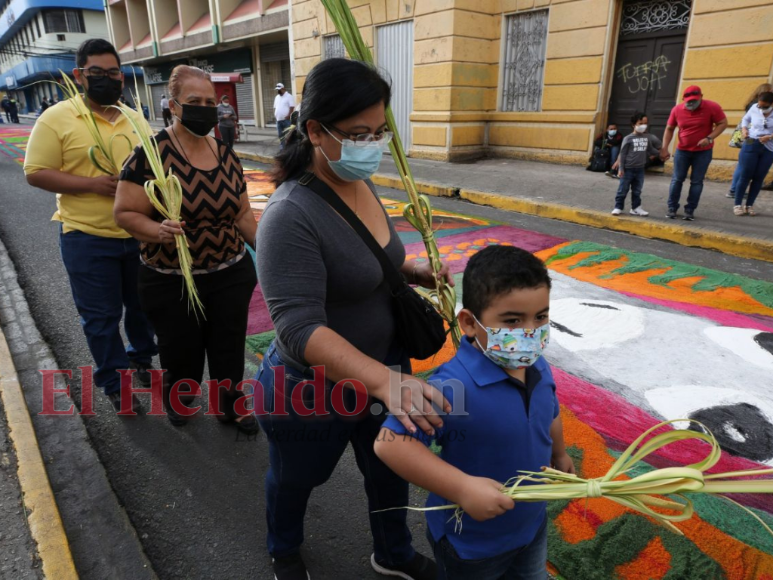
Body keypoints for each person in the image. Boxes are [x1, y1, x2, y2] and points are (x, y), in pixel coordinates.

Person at [255, 58, 453, 580]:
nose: (373, 145)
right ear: (315, 131)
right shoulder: (289, 214)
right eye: (359, 133)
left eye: (380, 132)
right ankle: (284, 549)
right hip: (313, 390)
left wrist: (414, 271)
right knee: (296, 478)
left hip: (383, 371)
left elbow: (368, 261)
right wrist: (385, 382)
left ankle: (393, 554)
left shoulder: (359, 184)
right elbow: (297, 329)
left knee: (389, 470)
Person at [375, 245, 574, 580]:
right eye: (512, 321)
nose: (530, 333)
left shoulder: (537, 365)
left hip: (531, 527)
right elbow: (389, 442)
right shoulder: (453, 386)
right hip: (471, 544)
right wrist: (462, 487)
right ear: (469, 322)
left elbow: (549, 409)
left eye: (540, 317)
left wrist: (560, 450)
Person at [114, 65, 258, 431]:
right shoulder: (149, 154)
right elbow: (125, 212)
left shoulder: (225, 153)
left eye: (211, 101)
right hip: (171, 278)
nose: (205, 108)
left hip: (230, 271)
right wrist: (156, 229)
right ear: (174, 105)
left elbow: (242, 213)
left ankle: (230, 405)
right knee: (181, 350)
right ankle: (182, 397)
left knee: (229, 347)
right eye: (194, 101)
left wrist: (270, 253)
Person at [23, 39, 157, 413]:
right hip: (86, 237)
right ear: (79, 75)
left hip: (138, 235)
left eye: (113, 73)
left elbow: (155, 168)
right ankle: (116, 383)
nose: (106, 80)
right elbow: (35, 173)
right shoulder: (56, 117)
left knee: (143, 307)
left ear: (122, 76)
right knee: (101, 318)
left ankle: (142, 357)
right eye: (96, 73)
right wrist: (93, 185)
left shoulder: (136, 118)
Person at [661, 85, 727, 221]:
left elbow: (722, 123)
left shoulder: (712, 107)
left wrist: (709, 138)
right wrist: (664, 147)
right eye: (688, 101)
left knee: (696, 181)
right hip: (682, 151)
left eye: (694, 101)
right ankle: (672, 207)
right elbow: (669, 128)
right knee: (677, 179)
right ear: (683, 99)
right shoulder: (677, 109)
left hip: (703, 152)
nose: (691, 103)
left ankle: (690, 210)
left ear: (701, 97)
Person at [727, 83, 773, 200]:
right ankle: (734, 190)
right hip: (753, 139)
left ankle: (735, 189)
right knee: (744, 166)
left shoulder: (754, 103)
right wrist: (745, 130)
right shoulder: (757, 105)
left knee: (743, 165)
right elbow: (747, 120)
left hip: (756, 139)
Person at [611, 112, 661, 217]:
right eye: (640, 123)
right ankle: (618, 207)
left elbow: (651, 149)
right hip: (627, 169)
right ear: (633, 124)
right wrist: (621, 168)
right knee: (622, 190)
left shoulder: (647, 137)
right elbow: (623, 154)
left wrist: (662, 154)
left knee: (637, 190)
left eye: (645, 123)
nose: (643, 125)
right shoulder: (628, 138)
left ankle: (636, 208)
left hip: (640, 169)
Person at [273, 82, 295, 149]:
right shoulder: (277, 97)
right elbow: (275, 107)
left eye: (279, 89)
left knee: (288, 135)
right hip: (278, 120)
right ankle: (282, 148)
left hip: (286, 120)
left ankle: (288, 148)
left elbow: (292, 107)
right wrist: (275, 115)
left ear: (283, 88)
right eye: (277, 90)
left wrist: (289, 115)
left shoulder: (289, 96)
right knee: (280, 135)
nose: (278, 91)